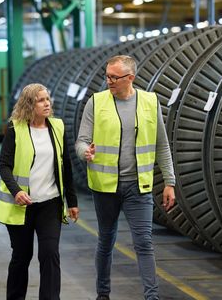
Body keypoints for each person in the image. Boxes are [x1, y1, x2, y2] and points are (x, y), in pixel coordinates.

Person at [75, 55, 176, 300]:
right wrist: (84, 152)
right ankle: (103, 294)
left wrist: (170, 182)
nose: (108, 81)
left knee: (144, 243)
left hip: (138, 186)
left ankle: (152, 297)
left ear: (130, 78)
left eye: (114, 77)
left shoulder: (150, 102)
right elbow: (81, 141)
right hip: (105, 186)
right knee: (106, 240)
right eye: (107, 76)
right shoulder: (96, 102)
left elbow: (161, 144)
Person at [0, 83, 79, 300]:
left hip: (50, 204)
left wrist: (72, 201)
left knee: (50, 254)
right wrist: (16, 192)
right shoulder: (16, 129)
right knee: (22, 257)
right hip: (21, 206)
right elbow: (4, 165)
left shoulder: (57, 127)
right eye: (41, 100)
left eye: (47, 99)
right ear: (29, 104)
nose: (47, 103)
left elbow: (66, 165)